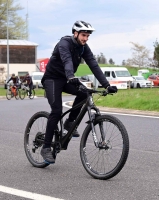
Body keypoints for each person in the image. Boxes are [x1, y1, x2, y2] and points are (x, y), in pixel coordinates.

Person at [40, 20, 118, 164]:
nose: (86, 39)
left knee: (84, 93)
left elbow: (94, 65)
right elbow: (67, 60)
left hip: (68, 79)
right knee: (56, 111)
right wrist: (71, 75)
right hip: (52, 79)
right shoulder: (64, 43)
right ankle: (45, 147)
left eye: (88, 36)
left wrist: (107, 85)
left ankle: (70, 122)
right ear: (75, 33)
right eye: (83, 35)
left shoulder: (84, 48)